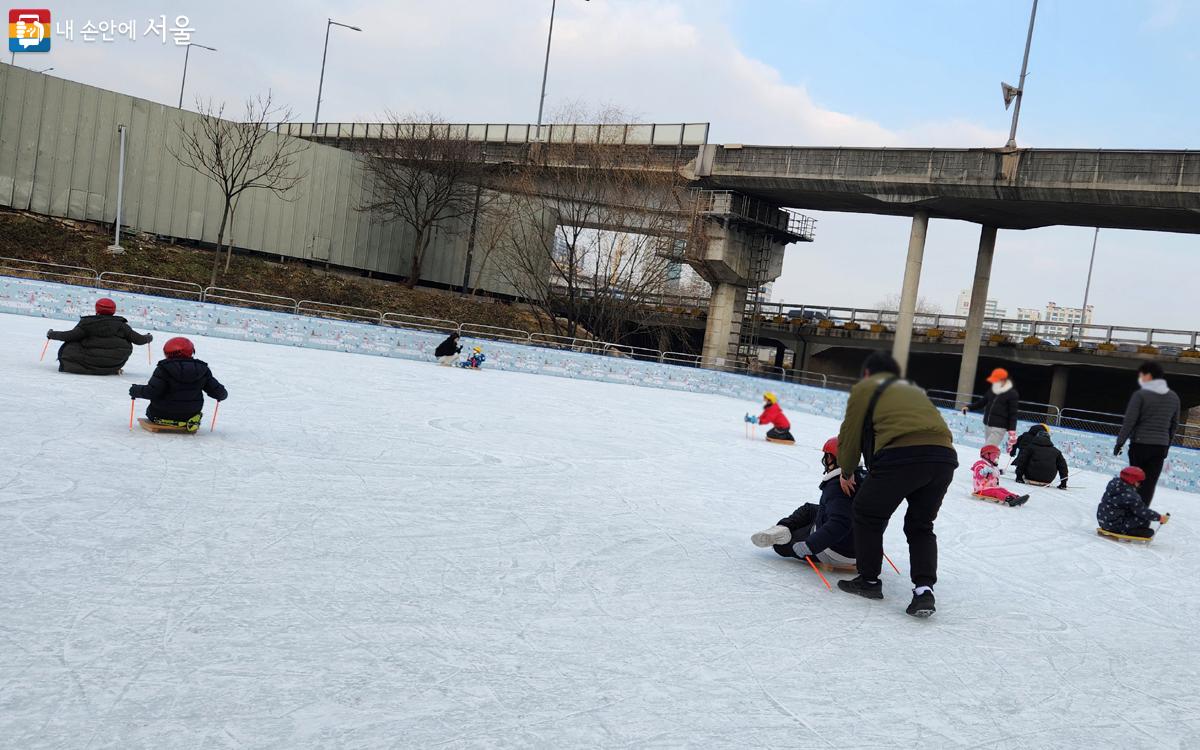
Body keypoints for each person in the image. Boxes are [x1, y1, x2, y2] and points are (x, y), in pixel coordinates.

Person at [834, 351, 958, 618]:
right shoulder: (913, 390)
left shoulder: (866, 388)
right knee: (920, 525)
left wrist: (846, 470)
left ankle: (868, 581)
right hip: (943, 458)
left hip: (902, 456)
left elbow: (851, 432)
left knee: (867, 513)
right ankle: (924, 590)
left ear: (868, 374)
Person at [751, 437, 862, 567]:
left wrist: (810, 546)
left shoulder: (837, 486)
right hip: (861, 549)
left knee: (779, 546)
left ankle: (784, 533)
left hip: (834, 551)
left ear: (831, 458)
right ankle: (782, 527)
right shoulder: (864, 478)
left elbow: (840, 523)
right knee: (809, 509)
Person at [1115, 361, 1181, 506]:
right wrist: (1166, 446)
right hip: (1160, 447)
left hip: (1140, 444)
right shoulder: (1174, 397)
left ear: (1149, 376)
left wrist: (1120, 442)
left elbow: (1130, 422)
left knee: (1135, 481)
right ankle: (1142, 518)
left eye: (1142, 375)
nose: (1140, 378)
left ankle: (1130, 515)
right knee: (1149, 484)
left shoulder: (1141, 395)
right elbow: (1174, 425)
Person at [129, 337, 227, 432]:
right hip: (190, 417)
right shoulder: (203, 370)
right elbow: (220, 394)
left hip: (160, 415)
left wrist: (135, 390)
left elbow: (151, 392)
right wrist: (221, 394)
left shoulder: (163, 369)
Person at [45, 297, 153, 375]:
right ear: (113, 310)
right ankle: (110, 369)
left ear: (97, 309)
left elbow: (69, 336)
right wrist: (148, 338)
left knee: (72, 343)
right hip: (114, 363)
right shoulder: (122, 325)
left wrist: (52, 334)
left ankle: (79, 367)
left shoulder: (87, 323)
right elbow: (139, 340)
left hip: (90, 360)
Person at [1097, 466, 1169, 539]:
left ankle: (1120, 527)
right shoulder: (1131, 496)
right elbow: (1143, 511)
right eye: (1139, 482)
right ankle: (1126, 531)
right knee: (1146, 524)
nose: (1140, 484)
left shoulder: (1113, 485)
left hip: (1102, 521)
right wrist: (1159, 517)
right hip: (1115, 525)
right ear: (1133, 481)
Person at [963, 367, 1020, 454]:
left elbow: (1013, 413)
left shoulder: (1012, 394)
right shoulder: (993, 390)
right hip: (988, 424)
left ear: (1003, 380)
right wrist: (969, 407)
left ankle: (987, 465)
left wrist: (1012, 430)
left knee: (987, 449)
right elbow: (982, 402)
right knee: (990, 449)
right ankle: (992, 464)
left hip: (999, 427)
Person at [1011, 424, 1069, 488]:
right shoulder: (1056, 451)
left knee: (1025, 459)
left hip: (1030, 477)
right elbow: (1063, 467)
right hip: (1048, 479)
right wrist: (1063, 483)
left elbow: (1022, 462)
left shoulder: (1030, 448)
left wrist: (1019, 477)